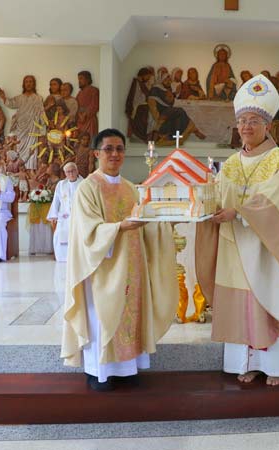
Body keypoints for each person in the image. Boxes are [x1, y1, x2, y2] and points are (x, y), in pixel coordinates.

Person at [208, 74, 279, 386]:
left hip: (269, 248)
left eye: (253, 121)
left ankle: (277, 364)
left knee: (268, 298)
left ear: (268, 125)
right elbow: (217, 194)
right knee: (243, 305)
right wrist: (202, 202)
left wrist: (238, 211)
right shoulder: (231, 163)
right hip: (237, 246)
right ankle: (248, 362)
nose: (246, 127)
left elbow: (277, 197)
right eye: (242, 121)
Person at [61, 128, 177, 391]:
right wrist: (120, 227)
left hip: (132, 265)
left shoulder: (130, 188)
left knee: (130, 315)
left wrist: (166, 221)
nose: (115, 154)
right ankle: (99, 372)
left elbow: (146, 223)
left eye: (120, 149)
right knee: (101, 317)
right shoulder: (88, 188)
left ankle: (127, 369)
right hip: (101, 267)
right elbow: (88, 231)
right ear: (96, 154)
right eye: (108, 149)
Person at [0, 75, 44, 169]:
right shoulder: (19, 98)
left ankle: (30, 169)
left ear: (34, 84)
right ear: (23, 84)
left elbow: (41, 112)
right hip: (21, 126)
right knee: (19, 145)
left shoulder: (38, 98)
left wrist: (43, 125)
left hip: (32, 126)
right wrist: (3, 97)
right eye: (26, 82)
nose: (28, 84)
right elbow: (11, 103)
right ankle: (18, 168)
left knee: (32, 146)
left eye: (30, 82)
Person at [47, 162, 83, 262]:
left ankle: (78, 257)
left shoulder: (84, 183)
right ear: (65, 173)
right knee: (59, 234)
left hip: (80, 216)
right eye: (68, 172)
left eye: (73, 171)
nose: (71, 174)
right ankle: (63, 257)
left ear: (77, 171)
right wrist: (53, 215)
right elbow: (56, 200)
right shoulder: (61, 184)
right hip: (64, 216)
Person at [76, 71, 99, 140]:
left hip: (89, 120)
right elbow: (76, 105)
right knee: (80, 139)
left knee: (90, 139)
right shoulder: (79, 93)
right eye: (78, 79)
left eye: (81, 78)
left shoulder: (94, 90)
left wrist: (85, 114)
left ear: (88, 79)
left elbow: (95, 105)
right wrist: (79, 115)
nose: (79, 81)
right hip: (80, 120)